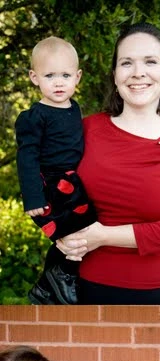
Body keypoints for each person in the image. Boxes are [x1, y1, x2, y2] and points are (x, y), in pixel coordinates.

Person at [54, 24, 160, 304]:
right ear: (114, 75)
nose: (138, 73)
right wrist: (58, 232)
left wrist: (103, 236)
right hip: (77, 283)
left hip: (148, 291)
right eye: (127, 63)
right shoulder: (85, 129)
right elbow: (49, 182)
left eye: (150, 61)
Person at [15, 36, 92, 304]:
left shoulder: (74, 108)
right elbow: (26, 157)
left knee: (86, 228)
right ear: (34, 78)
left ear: (77, 77)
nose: (58, 82)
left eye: (65, 75)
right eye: (49, 75)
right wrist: (33, 197)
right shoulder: (34, 117)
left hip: (71, 181)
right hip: (48, 183)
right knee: (70, 233)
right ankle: (61, 277)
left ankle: (50, 283)